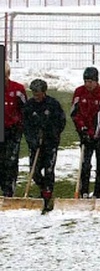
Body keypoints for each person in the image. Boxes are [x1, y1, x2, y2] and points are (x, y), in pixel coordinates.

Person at [71, 66, 100, 199]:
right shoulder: (79, 92)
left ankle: (98, 191)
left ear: (96, 81)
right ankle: (84, 191)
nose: (87, 84)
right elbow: (74, 113)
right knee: (85, 163)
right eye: (86, 81)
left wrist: (95, 135)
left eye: (90, 81)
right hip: (85, 134)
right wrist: (82, 129)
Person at [23, 79, 65, 212]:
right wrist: (32, 140)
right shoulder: (29, 106)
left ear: (44, 92)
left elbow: (61, 122)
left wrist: (52, 134)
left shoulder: (53, 104)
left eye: (38, 93)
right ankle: (42, 190)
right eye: (34, 93)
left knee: (49, 171)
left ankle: (48, 196)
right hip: (35, 145)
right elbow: (26, 125)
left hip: (50, 144)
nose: (36, 96)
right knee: (34, 172)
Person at [0, 63, 26, 197]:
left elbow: (25, 111)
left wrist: (19, 126)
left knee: (11, 160)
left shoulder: (18, 89)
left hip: (13, 130)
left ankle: (9, 190)